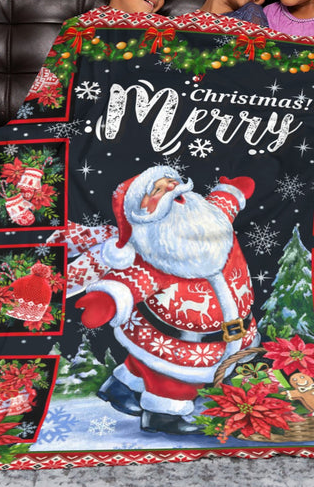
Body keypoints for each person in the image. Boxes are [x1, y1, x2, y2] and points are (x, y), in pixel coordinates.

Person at [74, 166, 260, 435]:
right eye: (158, 190)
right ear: (144, 212)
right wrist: (107, 300)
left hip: (233, 330)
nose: (172, 188)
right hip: (180, 344)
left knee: (143, 365)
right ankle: (163, 415)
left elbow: (223, 204)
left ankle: (121, 388)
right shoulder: (156, 251)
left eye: (171, 181)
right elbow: (132, 280)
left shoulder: (208, 216)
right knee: (172, 378)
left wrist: (232, 190)